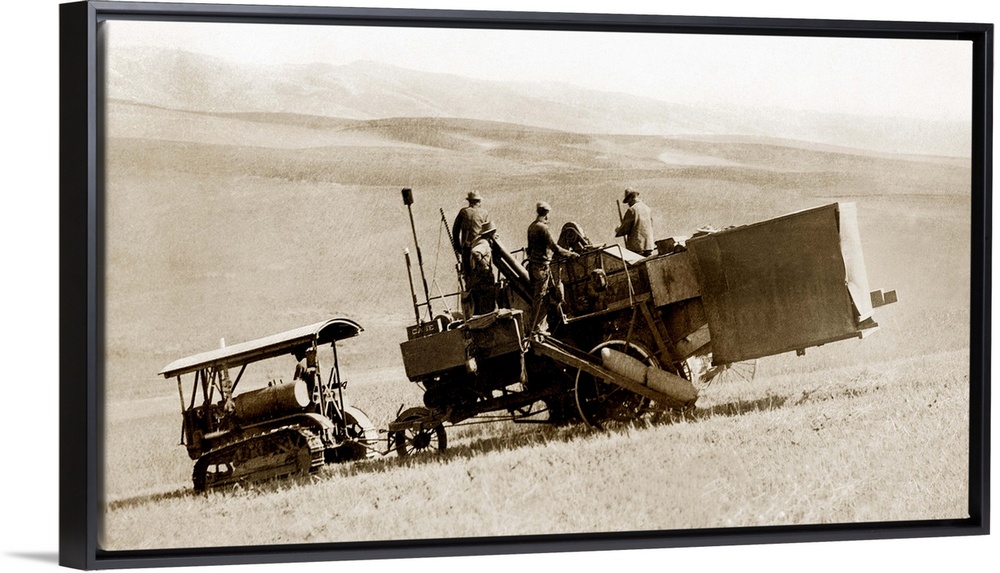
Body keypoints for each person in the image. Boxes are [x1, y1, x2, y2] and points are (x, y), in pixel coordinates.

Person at [526, 202, 579, 334]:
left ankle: (539, 327)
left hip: (533, 266)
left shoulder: (531, 227)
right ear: (546, 214)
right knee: (541, 298)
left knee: (541, 297)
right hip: (542, 268)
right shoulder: (543, 228)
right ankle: (536, 328)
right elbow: (555, 248)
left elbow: (529, 249)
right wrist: (571, 254)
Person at [451, 191, 490, 278]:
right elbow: (488, 230)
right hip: (480, 248)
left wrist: (458, 247)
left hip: (467, 248)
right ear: (478, 201)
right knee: (482, 272)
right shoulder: (484, 213)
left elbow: (455, 231)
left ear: (469, 201)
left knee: (468, 274)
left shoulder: (463, 212)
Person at [466, 221, 498, 316]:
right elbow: (475, 252)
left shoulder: (477, 241)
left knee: (480, 309)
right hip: (484, 281)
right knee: (487, 308)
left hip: (476, 281)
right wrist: (485, 266)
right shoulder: (484, 244)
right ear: (490, 234)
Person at [615, 188, 655, 257]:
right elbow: (651, 225)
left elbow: (624, 229)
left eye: (628, 201)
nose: (628, 203)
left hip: (636, 247)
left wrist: (618, 229)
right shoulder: (647, 208)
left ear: (631, 198)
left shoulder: (632, 210)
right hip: (649, 245)